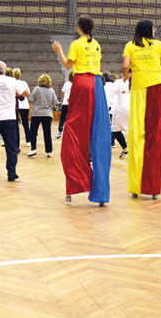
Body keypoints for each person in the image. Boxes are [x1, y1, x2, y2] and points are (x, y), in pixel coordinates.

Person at [52, 14, 112, 205]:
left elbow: (68, 65)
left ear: (79, 27)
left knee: (72, 131)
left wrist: (59, 50)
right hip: (97, 85)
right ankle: (101, 192)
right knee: (100, 133)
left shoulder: (76, 44)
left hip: (82, 84)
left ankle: (76, 184)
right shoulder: (96, 44)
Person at [122, 19, 161, 200]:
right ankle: (153, 187)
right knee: (154, 135)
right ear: (150, 30)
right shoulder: (158, 45)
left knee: (136, 134)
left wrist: (127, 76)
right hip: (156, 86)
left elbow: (126, 65)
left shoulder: (130, 45)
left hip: (139, 88)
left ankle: (136, 185)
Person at [0, 61, 29, 182]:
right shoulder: (13, 81)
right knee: (11, 147)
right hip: (9, 118)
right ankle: (11, 173)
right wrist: (15, 93)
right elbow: (26, 93)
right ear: (5, 70)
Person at [28, 73, 57, 157]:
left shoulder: (36, 89)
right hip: (47, 113)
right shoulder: (51, 90)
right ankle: (49, 151)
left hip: (36, 113)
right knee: (47, 133)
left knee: (33, 132)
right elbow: (55, 102)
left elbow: (30, 100)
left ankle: (33, 149)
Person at [107, 73, 130, 159]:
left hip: (121, 109)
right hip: (135, 108)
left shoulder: (119, 82)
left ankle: (126, 148)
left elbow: (111, 95)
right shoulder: (136, 81)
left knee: (115, 129)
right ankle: (128, 149)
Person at [13, 68, 31, 147]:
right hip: (24, 105)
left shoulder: (12, 83)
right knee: (25, 123)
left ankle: (16, 142)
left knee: (15, 125)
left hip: (15, 105)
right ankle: (28, 140)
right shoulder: (24, 83)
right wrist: (22, 93)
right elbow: (28, 94)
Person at [56, 72, 73, 138]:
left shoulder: (66, 84)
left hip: (65, 103)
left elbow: (62, 92)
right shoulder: (76, 84)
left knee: (62, 117)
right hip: (73, 103)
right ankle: (70, 132)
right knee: (72, 118)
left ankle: (60, 131)